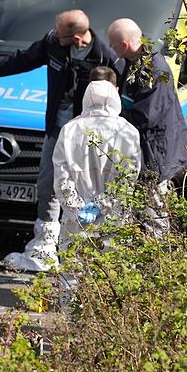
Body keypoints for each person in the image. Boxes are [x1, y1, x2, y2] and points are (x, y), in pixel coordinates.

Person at [0, 9, 121, 271]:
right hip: (57, 131)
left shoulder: (105, 58)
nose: (53, 34)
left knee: (85, 192)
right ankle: (44, 249)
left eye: (59, 32)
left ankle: (83, 255)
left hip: (88, 140)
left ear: (77, 38)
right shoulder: (53, 44)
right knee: (48, 187)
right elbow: (19, 60)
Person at [106, 18, 187, 236]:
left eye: (113, 45)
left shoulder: (155, 70)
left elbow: (146, 116)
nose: (110, 48)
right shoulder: (134, 62)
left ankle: (159, 253)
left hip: (157, 154)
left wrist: (112, 120)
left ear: (125, 45)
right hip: (147, 150)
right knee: (142, 213)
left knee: (154, 215)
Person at [52, 67, 142, 251]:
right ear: (115, 93)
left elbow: (62, 178)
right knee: (112, 266)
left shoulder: (70, 130)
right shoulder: (128, 132)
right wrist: (102, 205)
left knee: (74, 265)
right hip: (113, 218)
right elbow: (127, 178)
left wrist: (76, 208)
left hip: (75, 223)